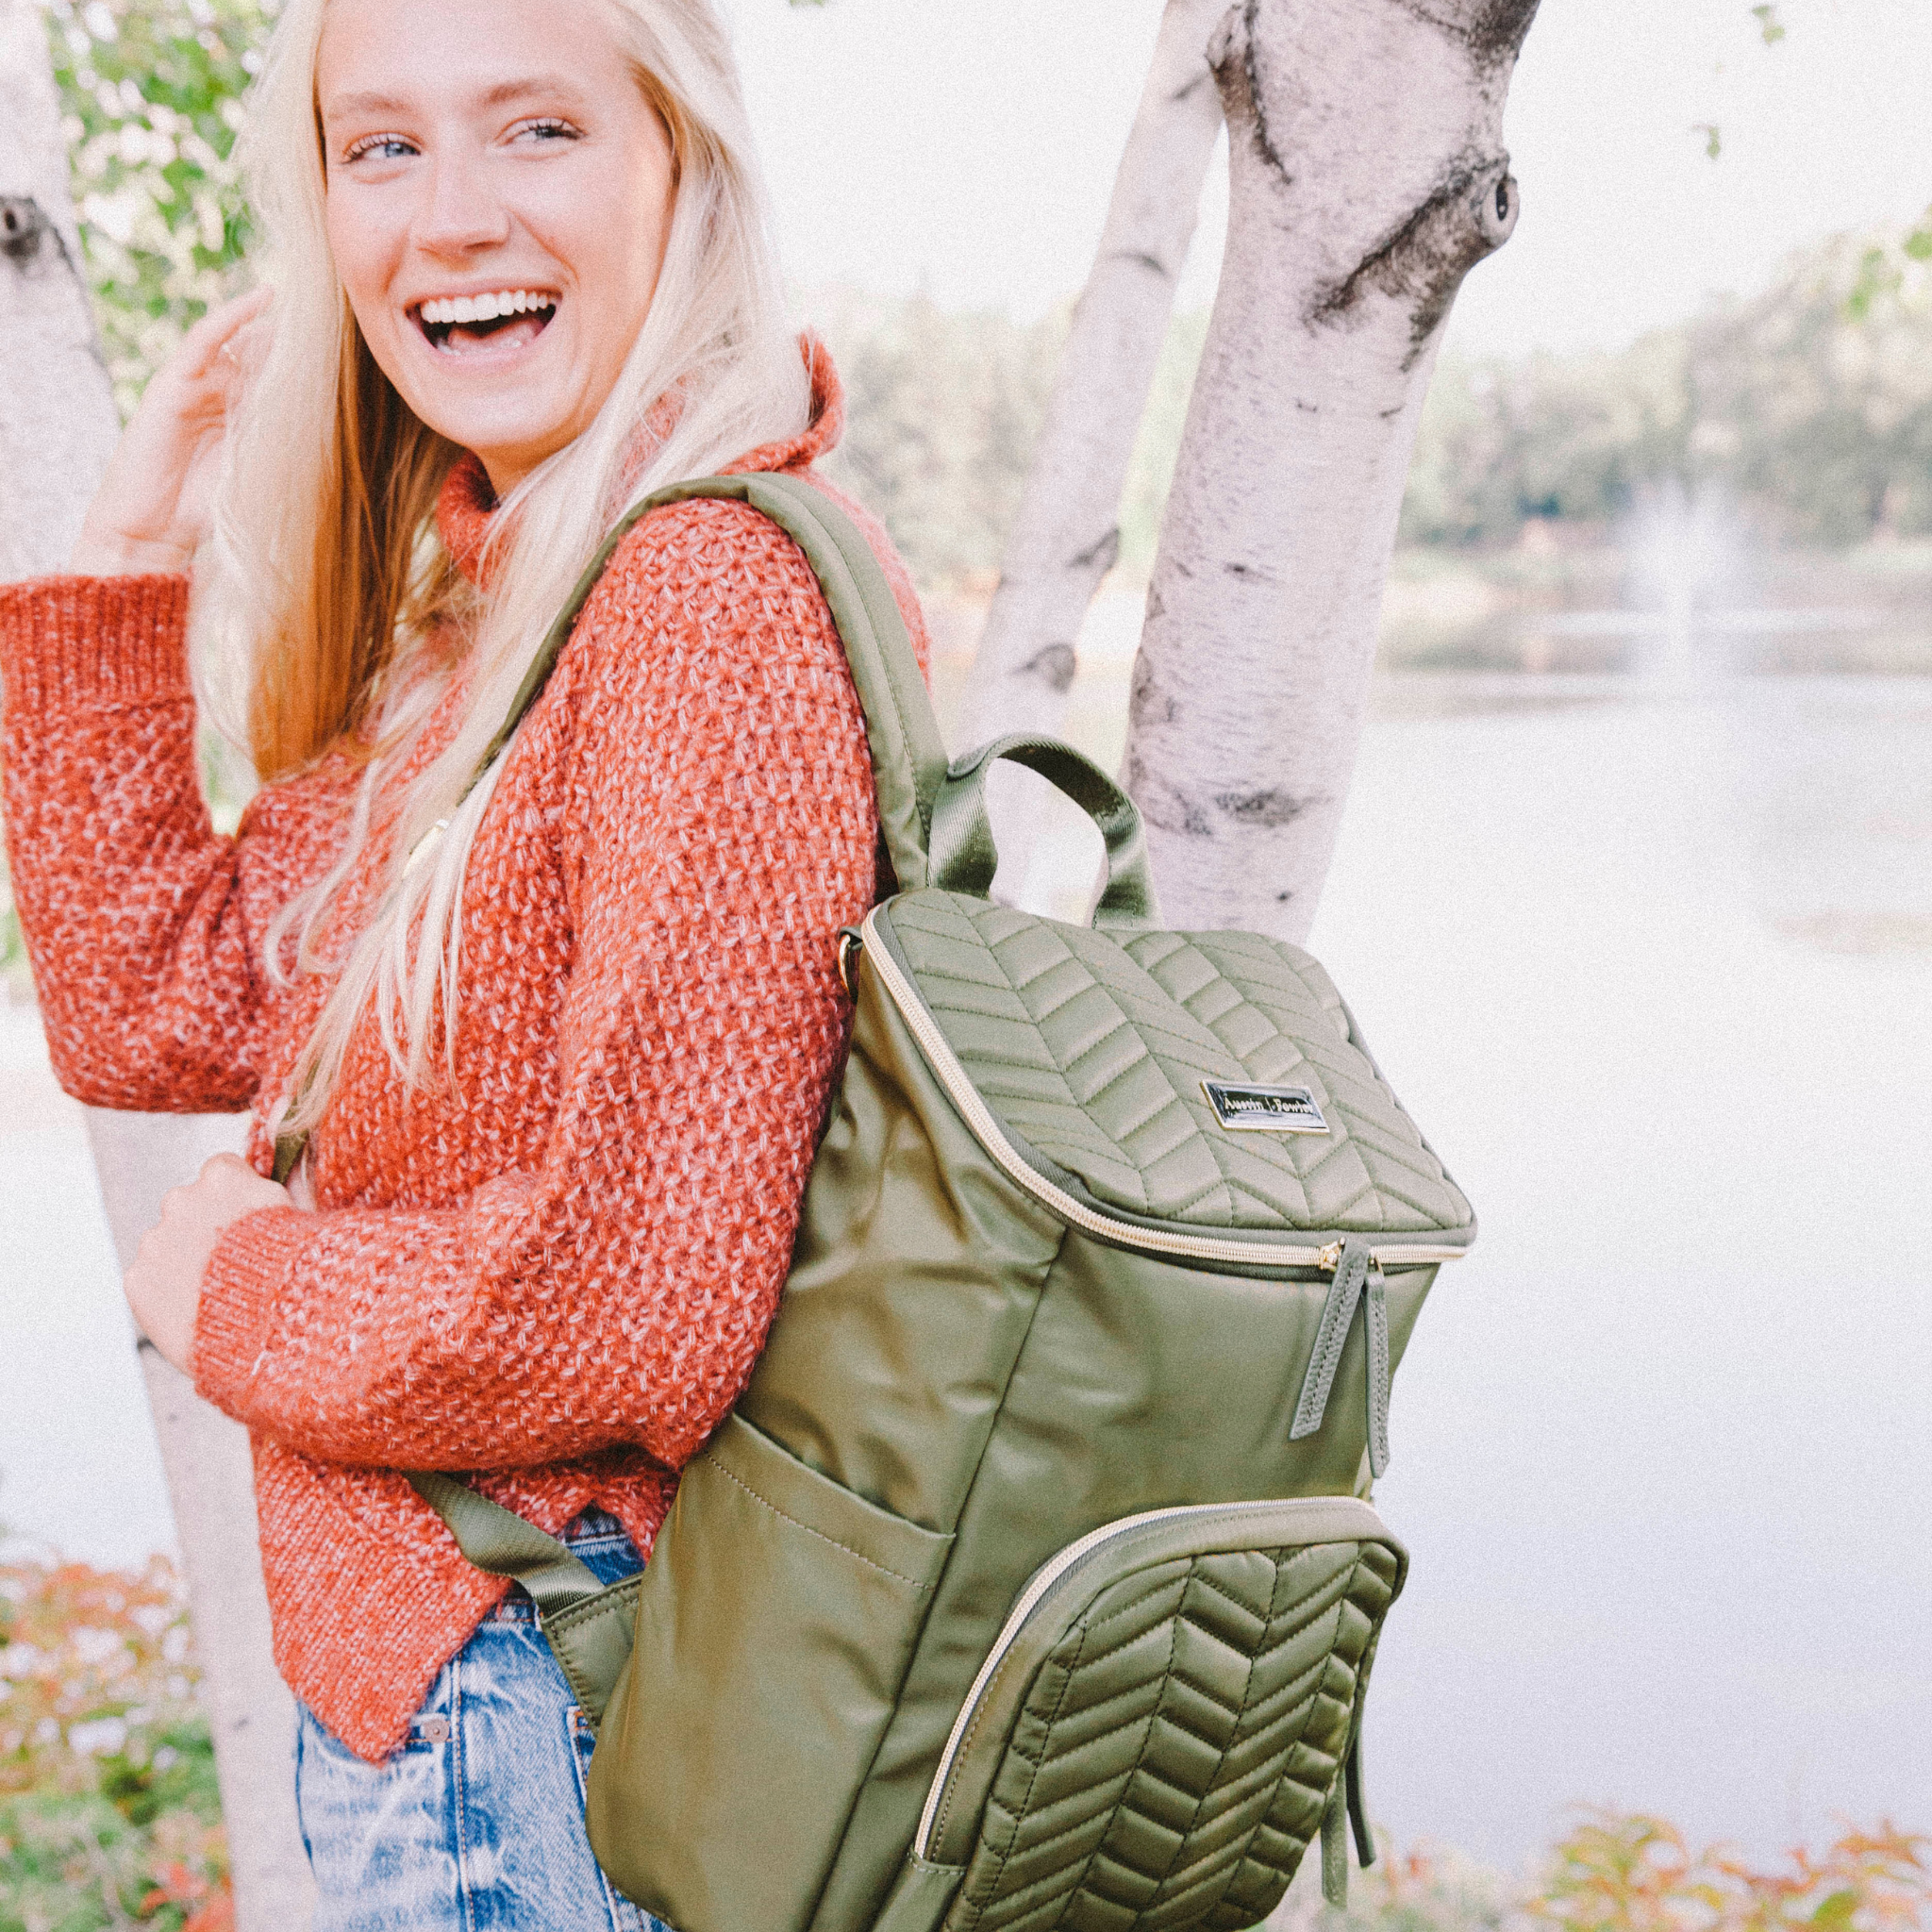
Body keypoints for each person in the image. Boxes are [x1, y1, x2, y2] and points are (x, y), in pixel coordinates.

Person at [0, 0, 929, 1923]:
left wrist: (235, 1288)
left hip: (535, 1720)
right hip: (472, 1715)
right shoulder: (506, 597)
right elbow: (154, 1001)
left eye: (535, 130)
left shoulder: (701, 597)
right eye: (383, 147)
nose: (448, 221)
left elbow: (633, 1306)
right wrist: (131, 531)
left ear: (681, 162)